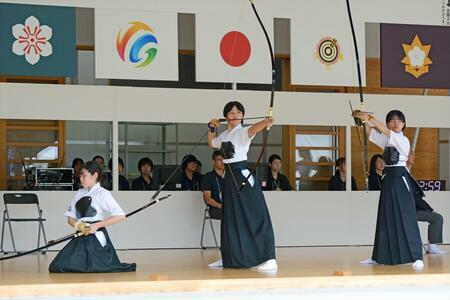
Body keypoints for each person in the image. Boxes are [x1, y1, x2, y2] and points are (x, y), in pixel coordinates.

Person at [207, 101, 277, 270]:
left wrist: (266, 122)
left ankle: (269, 258)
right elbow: (211, 143)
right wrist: (211, 129)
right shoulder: (224, 135)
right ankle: (230, 256)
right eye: (231, 113)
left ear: (243, 116)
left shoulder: (243, 132)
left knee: (256, 215)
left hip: (242, 176)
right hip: (229, 177)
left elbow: (253, 129)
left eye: (239, 112)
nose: (235, 115)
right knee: (230, 217)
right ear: (226, 117)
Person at [355, 110, 423, 268]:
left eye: (399, 120)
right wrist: (361, 120)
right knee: (384, 217)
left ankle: (416, 256)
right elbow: (371, 133)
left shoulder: (402, 139)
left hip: (400, 179)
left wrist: (370, 117)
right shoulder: (388, 139)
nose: (395, 123)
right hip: (389, 180)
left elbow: (384, 131)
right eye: (392, 121)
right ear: (387, 123)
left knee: (407, 217)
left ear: (404, 124)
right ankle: (378, 256)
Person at [49, 161, 136, 273]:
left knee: (94, 267)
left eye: (84, 175)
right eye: (80, 175)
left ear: (95, 175)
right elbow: (70, 218)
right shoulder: (79, 193)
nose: (81, 179)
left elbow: (120, 215)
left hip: (95, 236)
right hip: (81, 234)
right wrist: (78, 225)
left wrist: (97, 225)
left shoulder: (102, 193)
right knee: (57, 266)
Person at [406, 152, 446, 254]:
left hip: (412, 208)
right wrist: (430, 209)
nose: (413, 156)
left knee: (436, 217)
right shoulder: (404, 175)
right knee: (437, 218)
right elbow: (414, 197)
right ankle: (432, 246)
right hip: (409, 210)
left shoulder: (407, 174)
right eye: (411, 154)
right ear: (405, 157)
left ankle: (432, 245)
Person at [201, 150, 225, 220]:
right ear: (214, 162)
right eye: (219, 159)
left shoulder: (229, 176)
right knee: (233, 215)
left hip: (229, 208)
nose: (222, 162)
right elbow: (208, 199)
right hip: (215, 209)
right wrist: (220, 206)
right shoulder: (208, 177)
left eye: (224, 159)